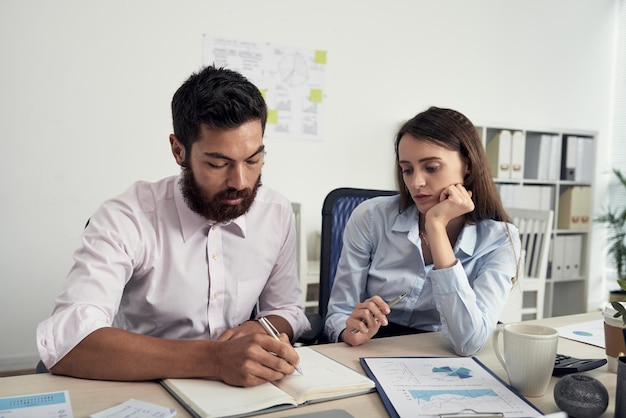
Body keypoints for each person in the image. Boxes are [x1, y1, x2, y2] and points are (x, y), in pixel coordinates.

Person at [36, 65, 310, 386]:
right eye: (218, 163)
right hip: (142, 383)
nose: (240, 181)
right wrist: (215, 358)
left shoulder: (275, 212)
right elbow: (71, 341)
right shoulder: (127, 216)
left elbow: (286, 307)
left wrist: (256, 330)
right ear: (179, 150)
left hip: (242, 388)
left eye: (253, 160)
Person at [325, 106, 521, 356]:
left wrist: (436, 227)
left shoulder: (499, 239)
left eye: (431, 167)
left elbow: (469, 342)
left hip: (441, 353)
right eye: (407, 170)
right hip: (371, 350)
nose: (416, 183)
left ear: (468, 165)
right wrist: (347, 330)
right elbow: (338, 313)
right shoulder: (371, 217)